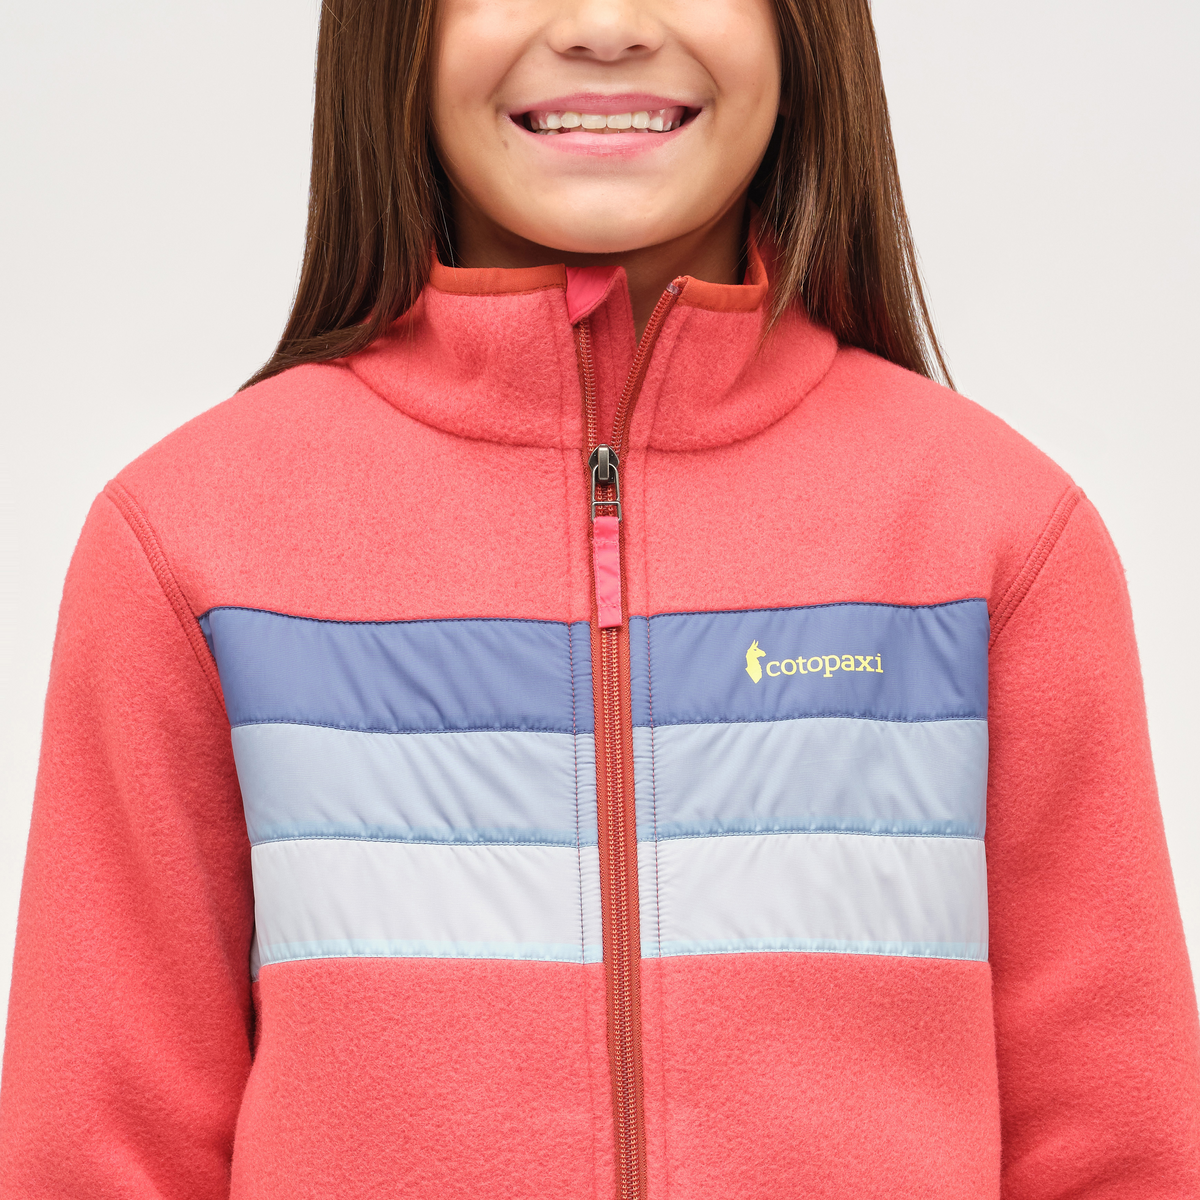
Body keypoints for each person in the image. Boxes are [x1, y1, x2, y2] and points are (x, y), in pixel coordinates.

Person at [2, 0, 1198, 1195]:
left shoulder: (997, 542)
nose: (607, 25)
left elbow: (1124, 1150)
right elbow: (95, 1155)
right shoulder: (190, 545)